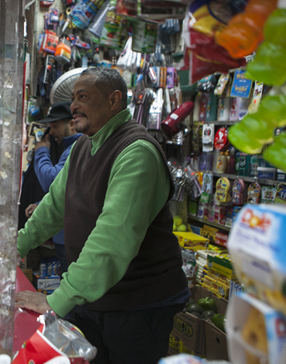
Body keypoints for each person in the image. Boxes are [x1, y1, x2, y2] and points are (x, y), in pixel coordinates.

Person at [14, 67, 189, 364]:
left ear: (114, 100)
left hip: (138, 304)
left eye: (83, 97)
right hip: (95, 298)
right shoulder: (85, 145)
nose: (73, 106)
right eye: (73, 98)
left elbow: (113, 240)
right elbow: (54, 206)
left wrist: (56, 300)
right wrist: (15, 247)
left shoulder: (136, 152)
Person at [24, 100, 80, 274]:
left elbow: (52, 181)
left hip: (71, 236)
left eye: (55, 126)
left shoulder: (76, 148)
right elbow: (68, 190)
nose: (52, 132)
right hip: (66, 234)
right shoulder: (70, 148)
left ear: (71, 124)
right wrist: (42, 204)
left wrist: (41, 151)